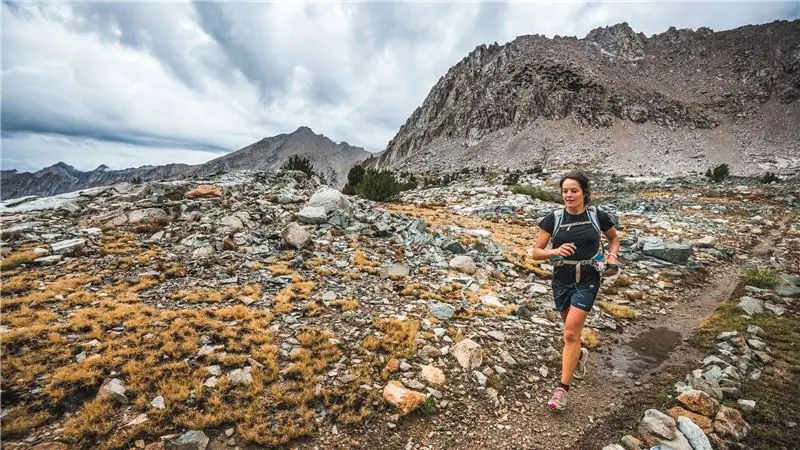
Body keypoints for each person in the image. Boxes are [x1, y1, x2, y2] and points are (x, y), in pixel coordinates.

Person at [529, 170, 620, 411]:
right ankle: (578, 356)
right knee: (570, 332)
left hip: (589, 277)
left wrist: (612, 257)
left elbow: (614, 238)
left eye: (574, 190)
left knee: (570, 334)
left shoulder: (597, 216)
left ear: (584, 192)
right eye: (565, 191)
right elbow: (536, 253)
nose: (568, 195)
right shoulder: (554, 219)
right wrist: (555, 252)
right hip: (562, 278)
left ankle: (562, 390)